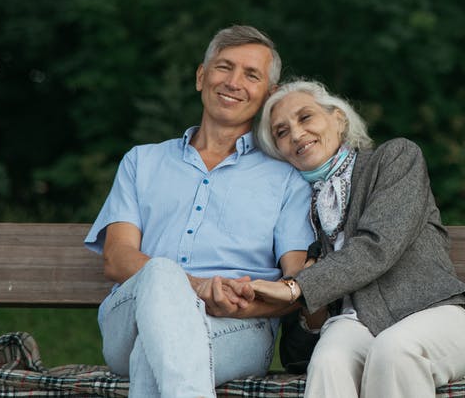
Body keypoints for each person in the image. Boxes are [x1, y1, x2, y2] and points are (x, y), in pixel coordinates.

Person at [84, 25, 316, 397]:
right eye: (224, 67)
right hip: (130, 319)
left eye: (251, 75)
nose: (233, 82)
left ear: (268, 96)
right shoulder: (142, 161)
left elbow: (295, 284)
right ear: (201, 76)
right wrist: (193, 289)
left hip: (237, 327)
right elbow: (117, 257)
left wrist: (236, 304)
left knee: (154, 353)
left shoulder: (288, 179)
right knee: (161, 272)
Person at [250, 79, 465, 398]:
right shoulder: (298, 207)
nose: (296, 134)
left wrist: (297, 286)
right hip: (354, 326)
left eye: (305, 117)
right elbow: (299, 350)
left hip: (431, 313)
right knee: (328, 360)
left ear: (338, 119)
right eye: (282, 132)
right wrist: (309, 311)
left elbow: (377, 247)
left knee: (394, 349)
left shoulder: (395, 159)